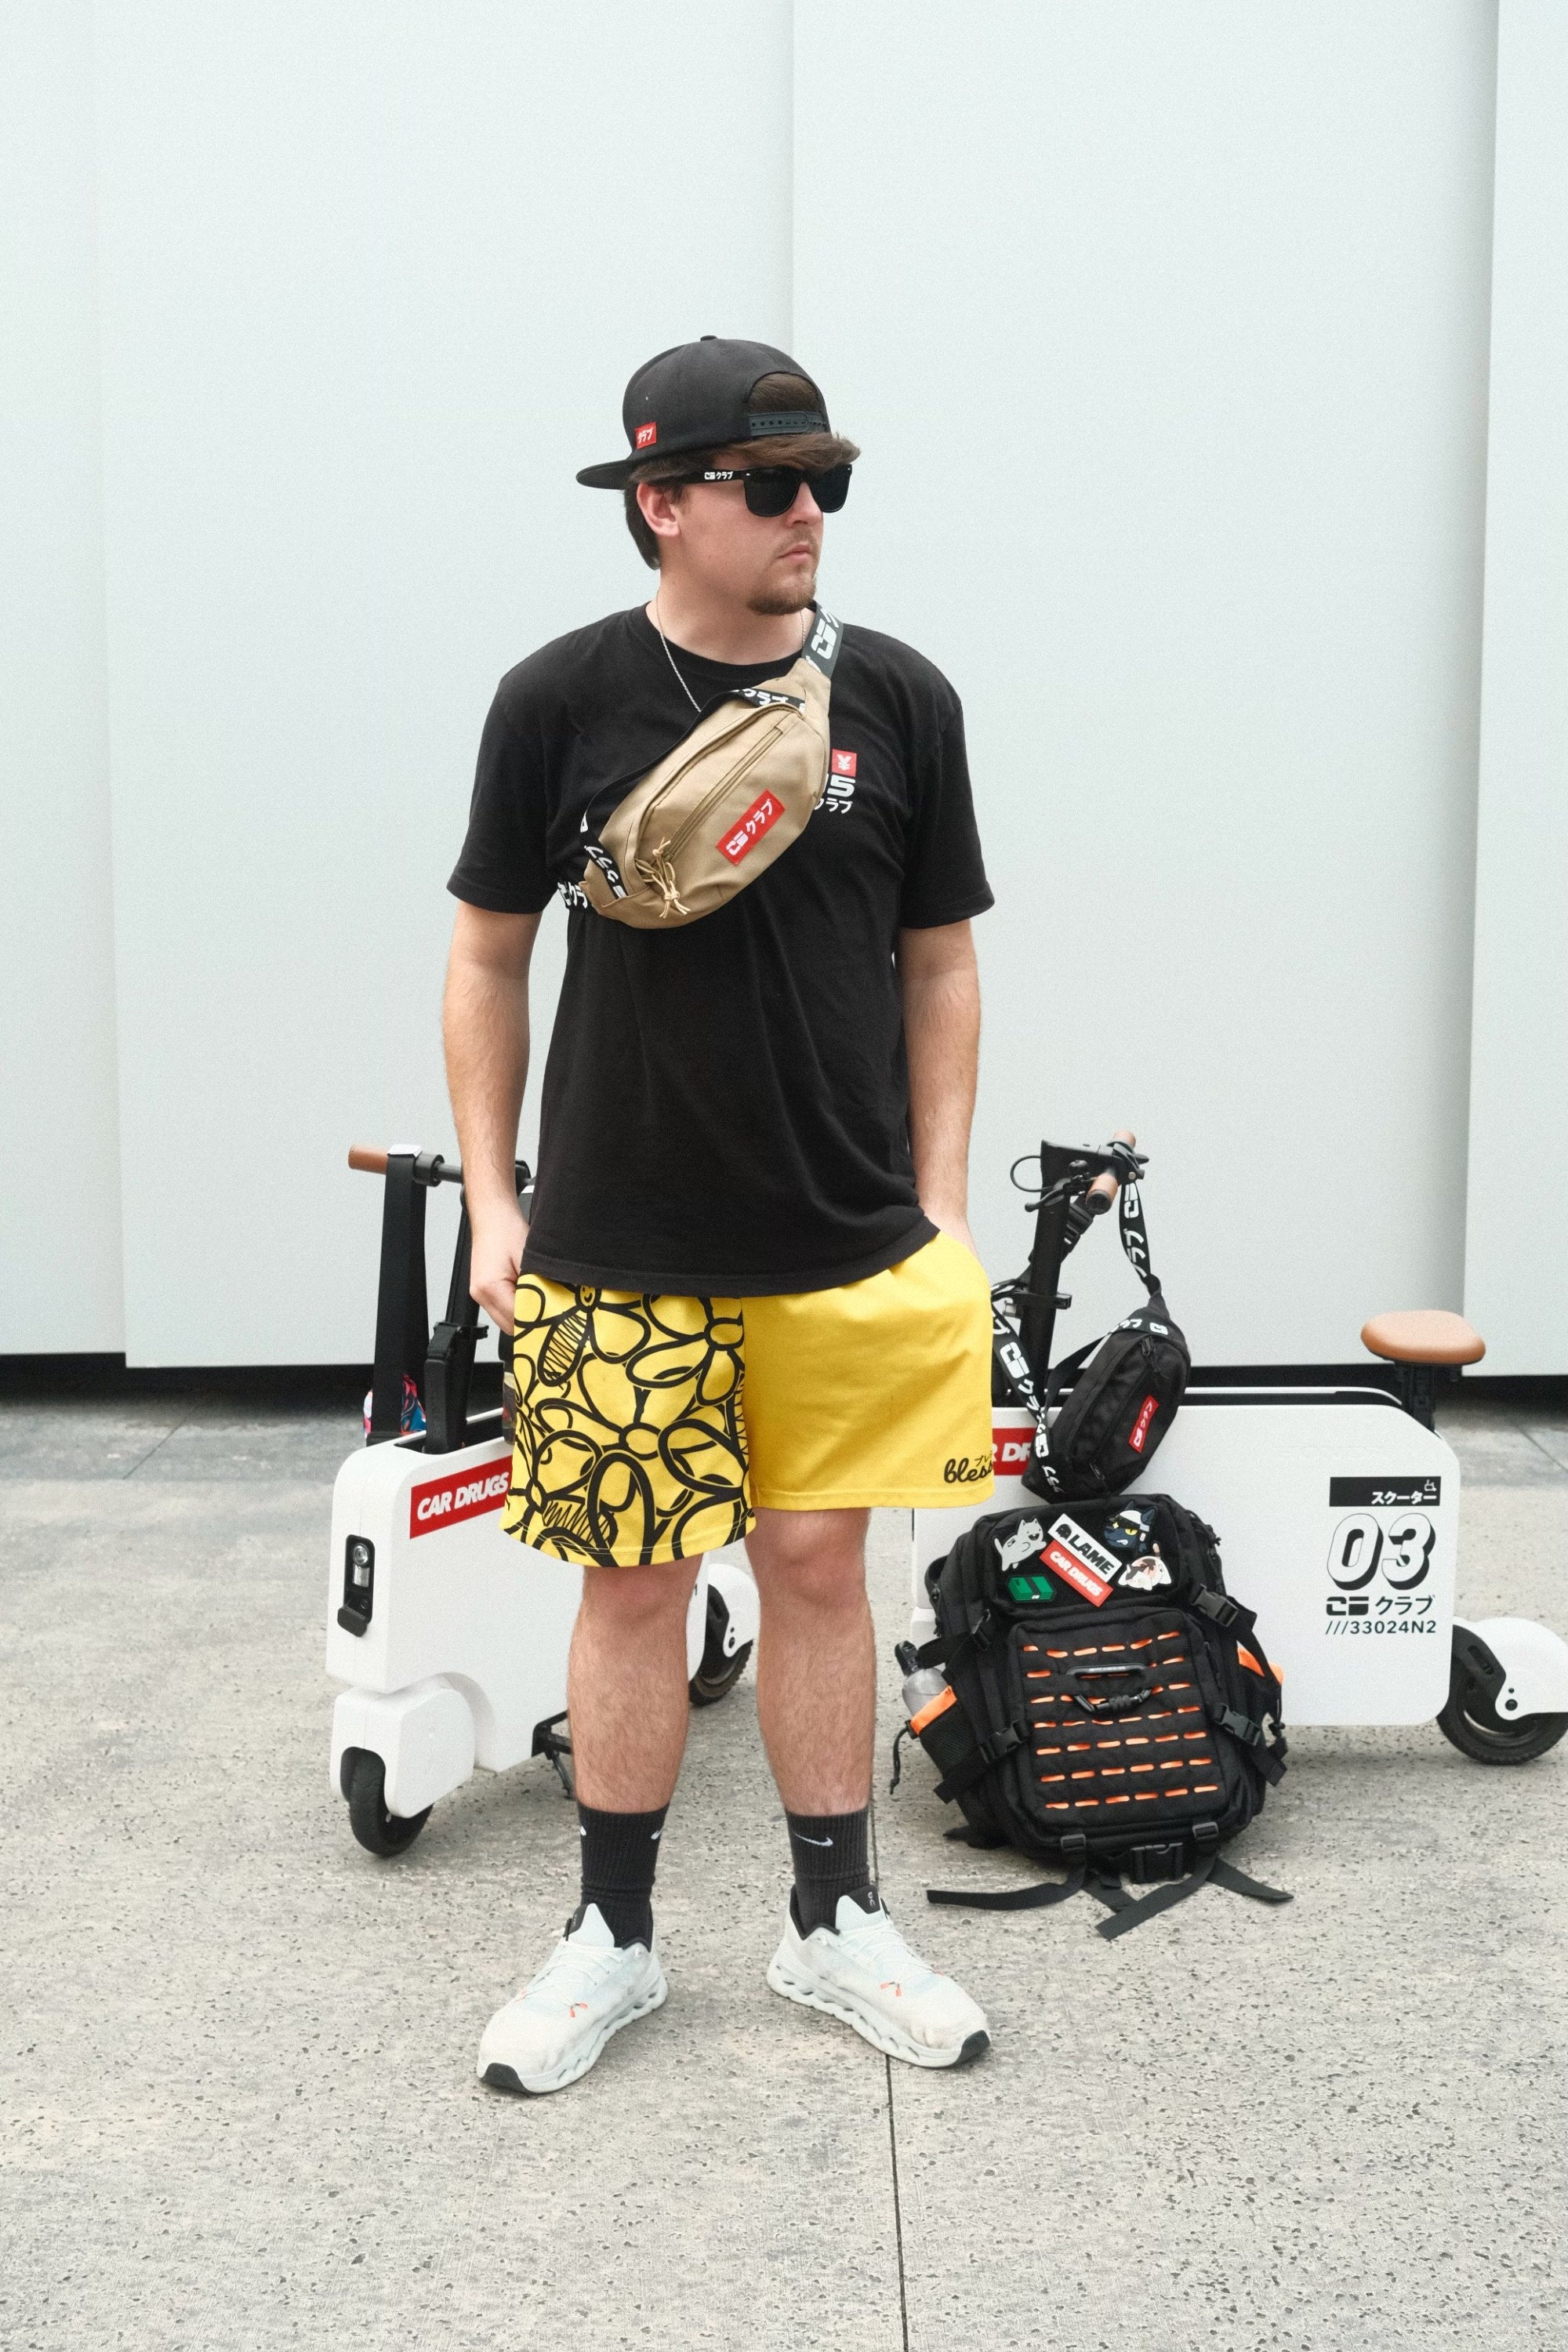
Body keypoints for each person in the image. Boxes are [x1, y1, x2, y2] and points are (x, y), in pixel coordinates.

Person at [443, 336, 996, 2096]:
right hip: (619, 1239)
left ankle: (833, 1920)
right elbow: (485, 955)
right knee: (634, 1586)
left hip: (843, 1240)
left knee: (822, 1569)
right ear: (663, 502)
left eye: (826, 479)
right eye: (770, 484)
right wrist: (493, 1198)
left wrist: (940, 1201)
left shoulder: (898, 698)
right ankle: (610, 1938)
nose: (808, 510)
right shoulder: (560, 697)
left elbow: (940, 963)